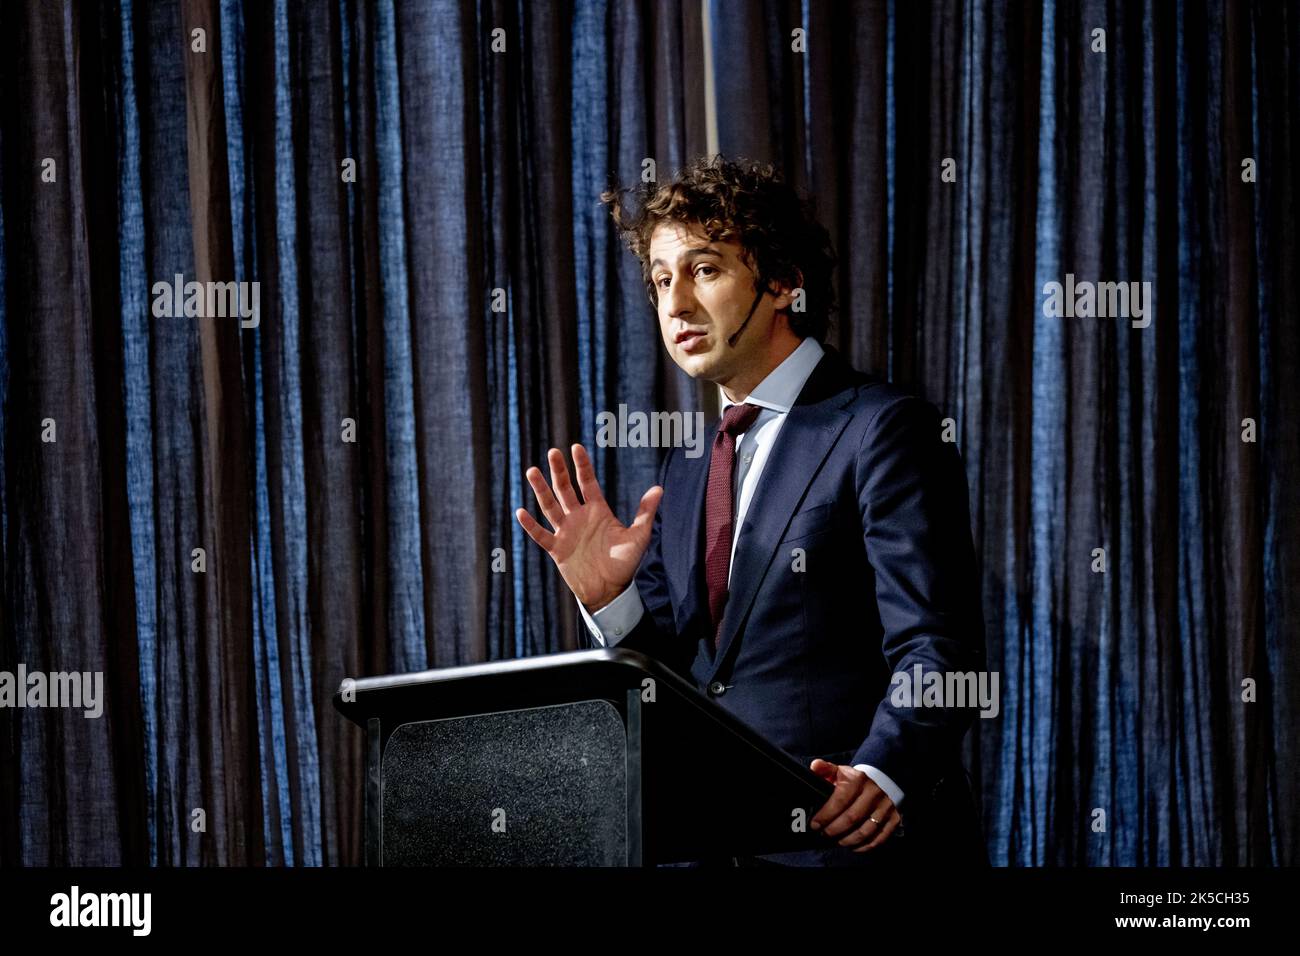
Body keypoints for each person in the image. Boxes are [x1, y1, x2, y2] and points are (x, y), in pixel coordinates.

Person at [516, 155, 988, 866]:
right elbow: (677, 680)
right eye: (662, 280)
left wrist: (884, 774)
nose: (675, 305)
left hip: (853, 845)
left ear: (782, 283)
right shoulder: (688, 466)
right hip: (713, 846)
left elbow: (938, 646)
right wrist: (611, 601)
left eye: (705, 270)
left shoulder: (883, 428)